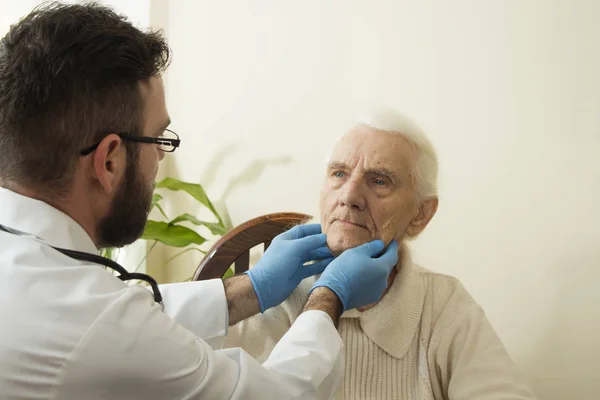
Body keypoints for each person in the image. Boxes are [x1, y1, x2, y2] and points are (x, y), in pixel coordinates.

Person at [0, 3, 399, 399]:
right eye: (159, 139)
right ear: (108, 161)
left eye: (380, 180)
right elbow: (279, 395)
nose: (162, 156)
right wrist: (329, 297)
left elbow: (119, 319)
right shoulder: (94, 325)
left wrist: (252, 289)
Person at [223, 109, 539, 399]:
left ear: (421, 215)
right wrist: (257, 288)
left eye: (379, 180)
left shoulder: (443, 303)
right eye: (339, 173)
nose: (349, 196)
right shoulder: (272, 293)